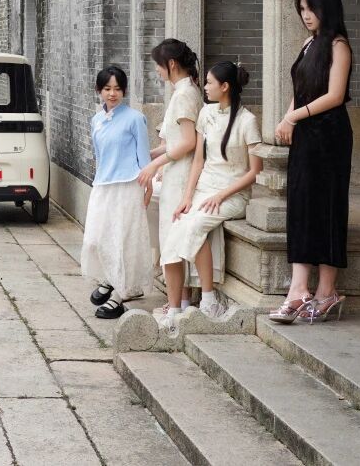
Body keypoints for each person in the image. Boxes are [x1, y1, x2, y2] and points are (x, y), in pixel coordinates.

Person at [271, 0, 354, 325]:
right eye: (302, 9)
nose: (306, 15)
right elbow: (301, 88)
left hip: (330, 135)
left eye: (311, 9)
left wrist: (295, 116)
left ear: (327, 8)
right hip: (306, 134)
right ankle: (299, 289)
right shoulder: (309, 44)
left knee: (328, 207)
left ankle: (326, 292)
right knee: (302, 204)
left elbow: (335, 96)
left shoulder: (338, 46)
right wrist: (286, 117)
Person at [160, 62, 262, 325]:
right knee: (175, 232)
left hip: (232, 195)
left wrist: (221, 195)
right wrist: (186, 198)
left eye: (209, 83)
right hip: (204, 190)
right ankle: (174, 309)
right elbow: (198, 161)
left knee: (194, 226)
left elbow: (254, 172)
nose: (204, 87)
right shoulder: (206, 113)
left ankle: (209, 300)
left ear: (224, 86)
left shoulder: (247, 121)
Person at [135, 40, 204, 311]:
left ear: (171, 64)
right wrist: (148, 155)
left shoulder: (184, 94)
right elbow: (174, 142)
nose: (157, 70)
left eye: (158, 65)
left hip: (180, 176)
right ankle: (181, 302)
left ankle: (175, 306)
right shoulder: (185, 91)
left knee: (171, 241)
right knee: (173, 240)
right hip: (177, 172)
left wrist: (155, 164)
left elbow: (188, 142)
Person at [81, 66, 152, 319]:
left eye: (118, 89)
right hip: (103, 185)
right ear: (99, 90)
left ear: (124, 91)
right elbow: (100, 156)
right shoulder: (96, 120)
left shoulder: (135, 118)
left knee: (123, 240)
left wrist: (148, 186)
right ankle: (109, 278)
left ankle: (120, 295)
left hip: (129, 185)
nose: (112, 93)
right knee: (96, 238)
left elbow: (144, 156)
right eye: (107, 88)